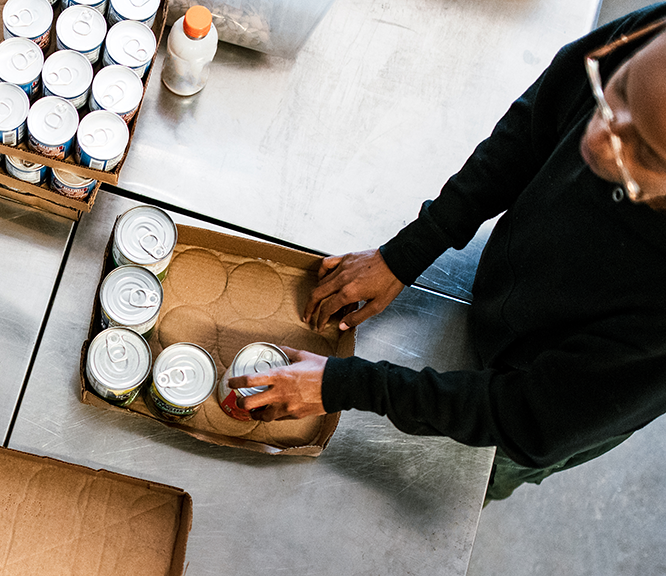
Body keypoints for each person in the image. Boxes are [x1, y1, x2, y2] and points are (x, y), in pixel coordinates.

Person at [226, 4, 666, 502]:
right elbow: (534, 127)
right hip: (510, 282)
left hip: (542, 400)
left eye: (645, 155)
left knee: (472, 475)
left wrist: (345, 385)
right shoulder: (657, 37)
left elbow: (527, 419)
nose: (601, 140)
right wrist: (412, 249)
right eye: (618, 91)